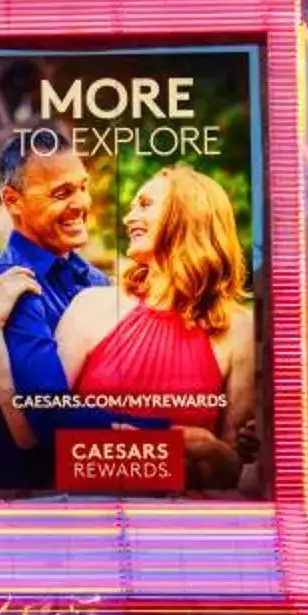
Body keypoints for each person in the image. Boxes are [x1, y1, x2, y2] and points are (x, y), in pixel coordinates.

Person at [50, 166, 260, 491]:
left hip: (182, 530)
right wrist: (168, 450)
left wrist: (210, 449)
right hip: (87, 518)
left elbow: (230, 475)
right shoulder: (91, 306)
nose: (128, 217)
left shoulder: (237, 330)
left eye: (145, 204)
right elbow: (40, 432)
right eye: (133, 206)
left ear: (188, 215)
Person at [0, 136, 108, 491]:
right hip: (37, 504)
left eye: (83, 186)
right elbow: (48, 425)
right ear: (12, 202)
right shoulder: (9, 288)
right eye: (62, 193)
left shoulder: (100, 282)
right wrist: (175, 437)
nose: (81, 203)